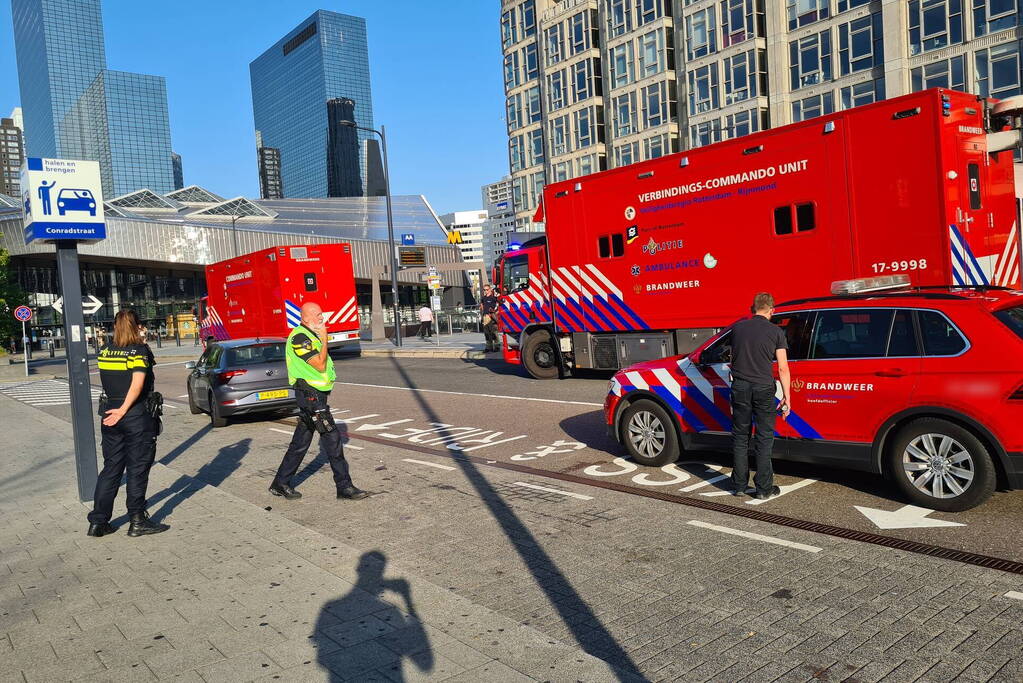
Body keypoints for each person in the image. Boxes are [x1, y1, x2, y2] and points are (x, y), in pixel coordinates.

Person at [269, 301, 367, 501]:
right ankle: (344, 486)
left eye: (322, 313)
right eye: (318, 314)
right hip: (311, 397)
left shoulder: (309, 336)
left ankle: (280, 483)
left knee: (299, 444)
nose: (322, 318)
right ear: (306, 318)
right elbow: (320, 365)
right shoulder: (300, 337)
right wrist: (324, 337)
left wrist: (321, 337)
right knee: (333, 441)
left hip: (313, 397)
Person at [87, 309, 168, 537]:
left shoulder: (104, 351)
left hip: (109, 415)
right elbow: (137, 384)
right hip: (134, 416)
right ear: (137, 326)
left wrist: (117, 411)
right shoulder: (139, 351)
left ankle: (98, 522)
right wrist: (124, 410)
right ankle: (138, 520)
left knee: (111, 469)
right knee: (137, 469)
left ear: (115, 327)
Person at [729, 292, 791, 500]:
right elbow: (782, 368)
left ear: (752, 308)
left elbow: (732, 357)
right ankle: (763, 489)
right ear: (772, 310)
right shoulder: (776, 332)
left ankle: (738, 485)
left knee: (740, 437)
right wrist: (787, 398)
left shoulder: (737, 328)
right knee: (764, 438)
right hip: (764, 389)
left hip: (740, 387)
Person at [480, 284, 500, 353]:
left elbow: (497, 306)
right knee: (486, 333)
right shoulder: (483, 298)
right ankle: (489, 347)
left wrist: (494, 314)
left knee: (493, 332)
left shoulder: (493, 298)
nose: (485, 291)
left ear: (490, 290)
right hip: (485, 316)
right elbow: (482, 305)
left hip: (491, 316)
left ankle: (497, 346)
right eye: (484, 290)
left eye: (487, 290)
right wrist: (482, 314)